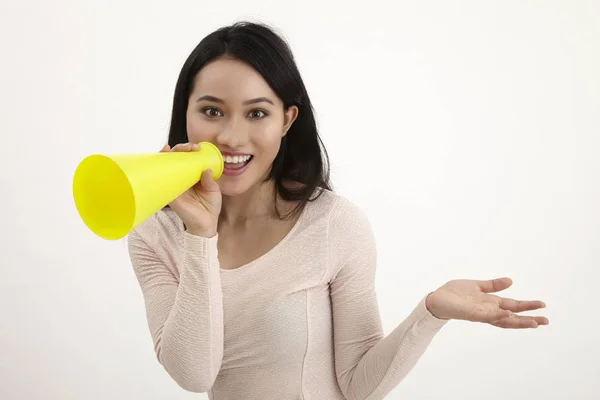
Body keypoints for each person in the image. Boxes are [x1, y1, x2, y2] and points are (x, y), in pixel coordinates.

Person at [127, 21, 548, 400]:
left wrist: (431, 311)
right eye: (211, 111)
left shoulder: (333, 224)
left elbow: (358, 384)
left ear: (287, 120)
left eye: (257, 113)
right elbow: (195, 375)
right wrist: (199, 235)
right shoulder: (155, 234)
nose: (232, 136)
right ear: (186, 114)